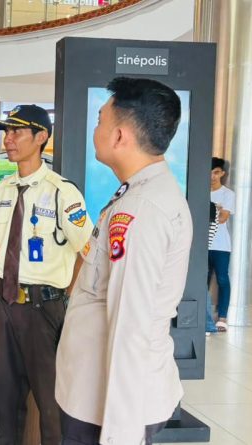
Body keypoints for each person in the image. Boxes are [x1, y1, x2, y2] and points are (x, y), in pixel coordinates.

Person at [55, 77, 191, 445]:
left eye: (100, 120)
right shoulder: (137, 194)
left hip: (107, 407)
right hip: (93, 392)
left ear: (119, 136)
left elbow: (132, 324)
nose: (95, 129)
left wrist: (120, 434)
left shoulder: (142, 209)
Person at [0, 104, 93, 445]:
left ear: (41, 137)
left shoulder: (61, 191)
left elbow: (87, 252)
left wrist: (66, 300)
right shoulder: (3, 189)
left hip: (45, 310)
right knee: (5, 404)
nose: (8, 139)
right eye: (6, 132)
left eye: (16, 132)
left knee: (52, 406)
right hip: (6, 307)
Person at [209, 156, 235, 332]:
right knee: (201, 280)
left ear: (222, 173)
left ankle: (222, 317)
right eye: (210, 173)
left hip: (221, 245)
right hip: (201, 245)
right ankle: (204, 318)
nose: (212, 176)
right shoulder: (199, 190)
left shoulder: (228, 194)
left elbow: (223, 218)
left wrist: (210, 211)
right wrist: (216, 209)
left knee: (222, 279)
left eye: (216, 172)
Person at [206, 202, 220, 335]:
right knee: (202, 289)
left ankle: (208, 325)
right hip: (204, 253)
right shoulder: (213, 207)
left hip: (194, 254)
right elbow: (213, 230)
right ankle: (208, 325)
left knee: (201, 290)